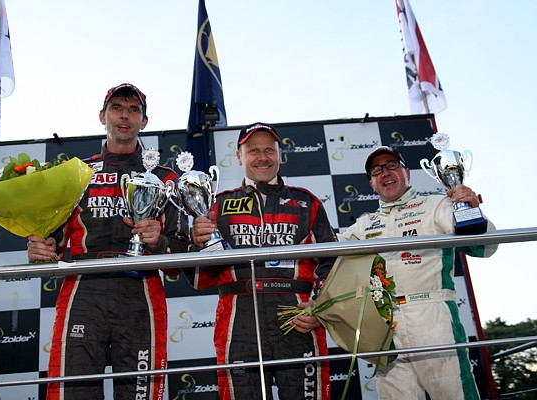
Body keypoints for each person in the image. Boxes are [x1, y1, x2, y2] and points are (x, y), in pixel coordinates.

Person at [27, 83, 190, 400]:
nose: (124, 116)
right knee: (72, 394)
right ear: (102, 116)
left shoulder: (165, 177)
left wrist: (158, 242)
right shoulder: (76, 174)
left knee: (140, 394)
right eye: (117, 108)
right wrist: (40, 247)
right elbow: (53, 243)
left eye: (133, 110)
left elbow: (182, 256)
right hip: (84, 289)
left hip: (141, 291)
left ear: (144, 121)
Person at [335, 146, 497, 400]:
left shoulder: (436, 204)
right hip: (384, 326)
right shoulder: (364, 224)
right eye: (376, 170)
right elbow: (328, 253)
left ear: (407, 173)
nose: (385, 173)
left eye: (392, 165)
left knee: (454, 394)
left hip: (432, 317)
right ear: (371, 184)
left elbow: (484, 247)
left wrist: (470, 210)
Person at [188, 122, 334, 400]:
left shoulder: (307, 202)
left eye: (269, 150)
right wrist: (197, 244)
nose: (262, 157)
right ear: (239, 157)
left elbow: (331, 262)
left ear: (280, 155)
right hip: (239, 318)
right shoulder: (219, 205)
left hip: (297, 316)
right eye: (253, 150)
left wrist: (319, 305)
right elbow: (199, 279)